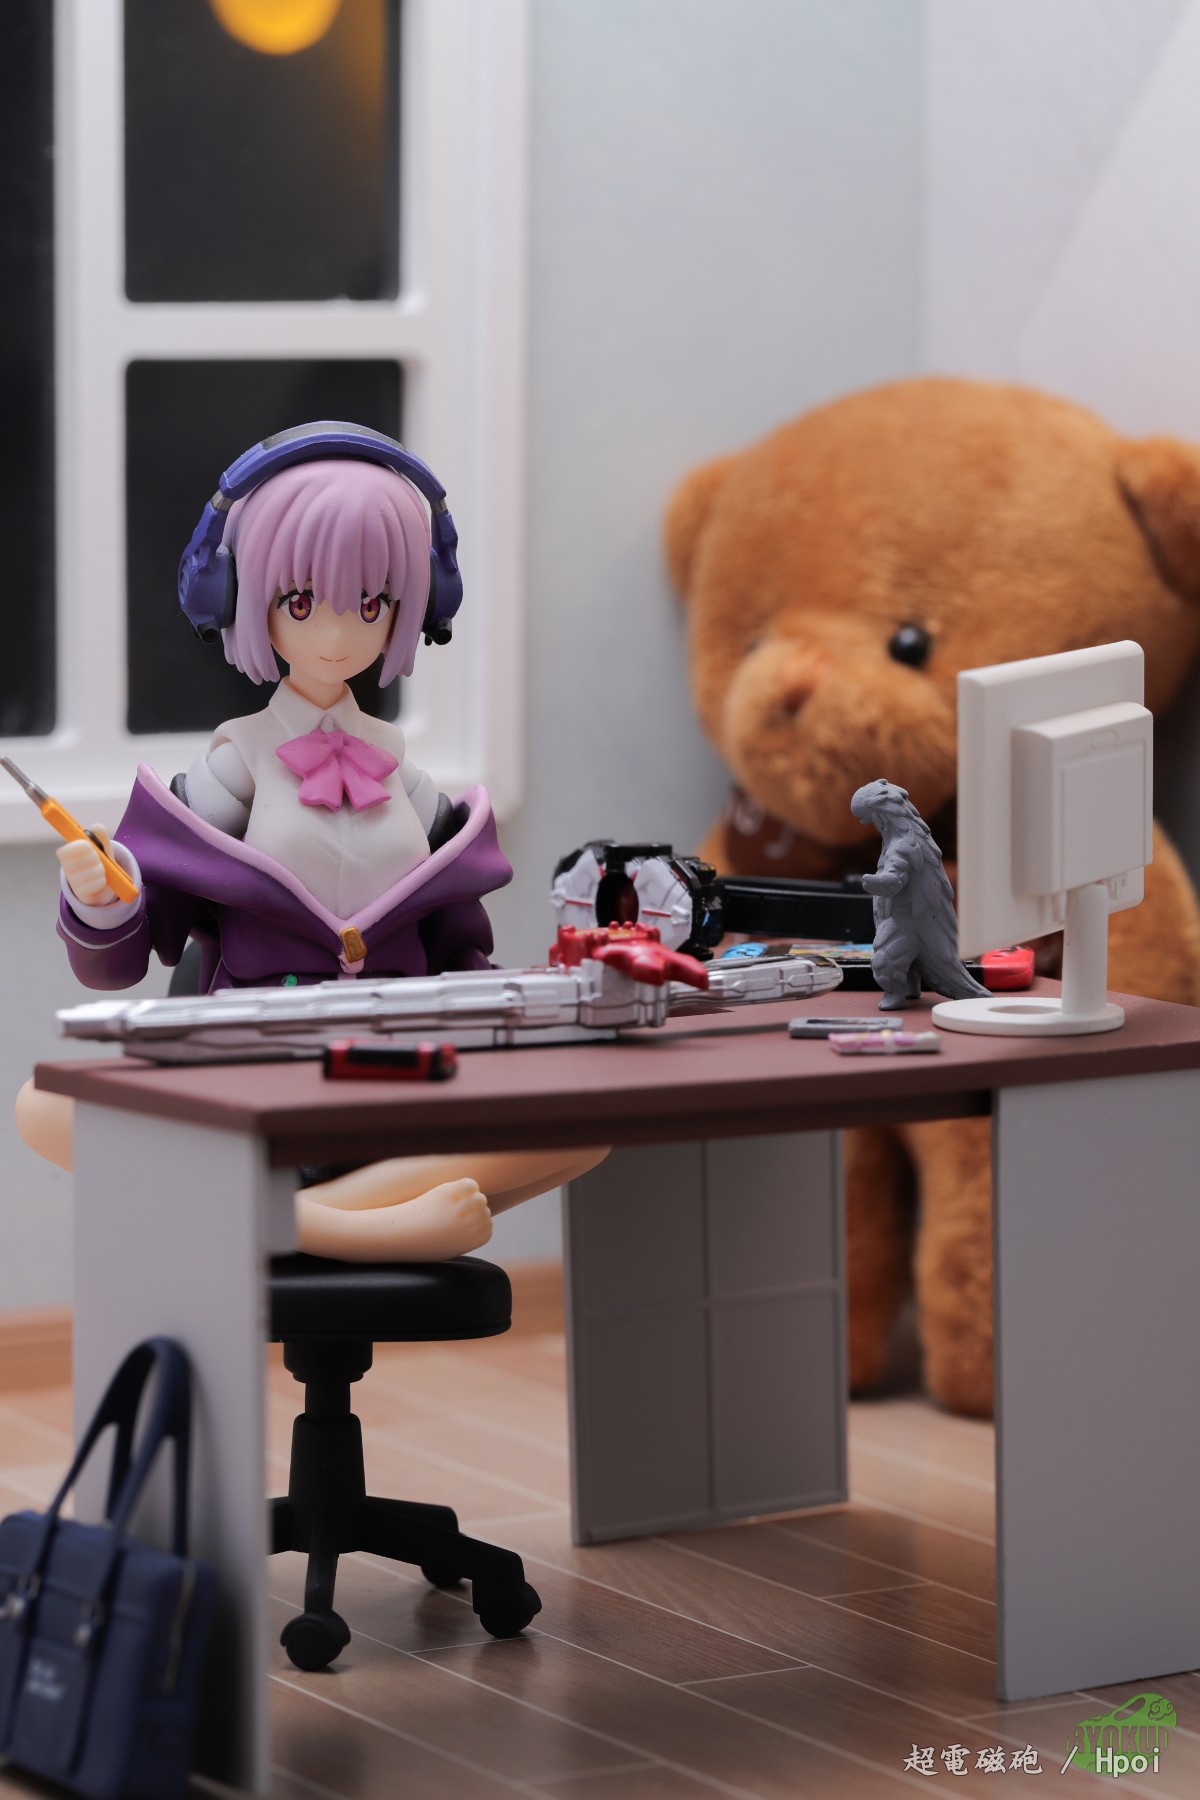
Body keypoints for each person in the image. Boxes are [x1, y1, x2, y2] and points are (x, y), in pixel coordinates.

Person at [17, 425, 605, 1255]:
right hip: (259, 1064)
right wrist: (102, 896)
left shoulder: (408, 779)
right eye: (301, 602)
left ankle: (308, 1222)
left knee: (591, 1123)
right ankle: (359, 1229)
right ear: (237, 596)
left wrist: (523, 1014)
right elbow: (123, 955)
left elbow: (458, 951)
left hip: (399, 1062)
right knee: (44, 1106)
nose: (336, 635)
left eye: (370, 604)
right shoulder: (237, 764)